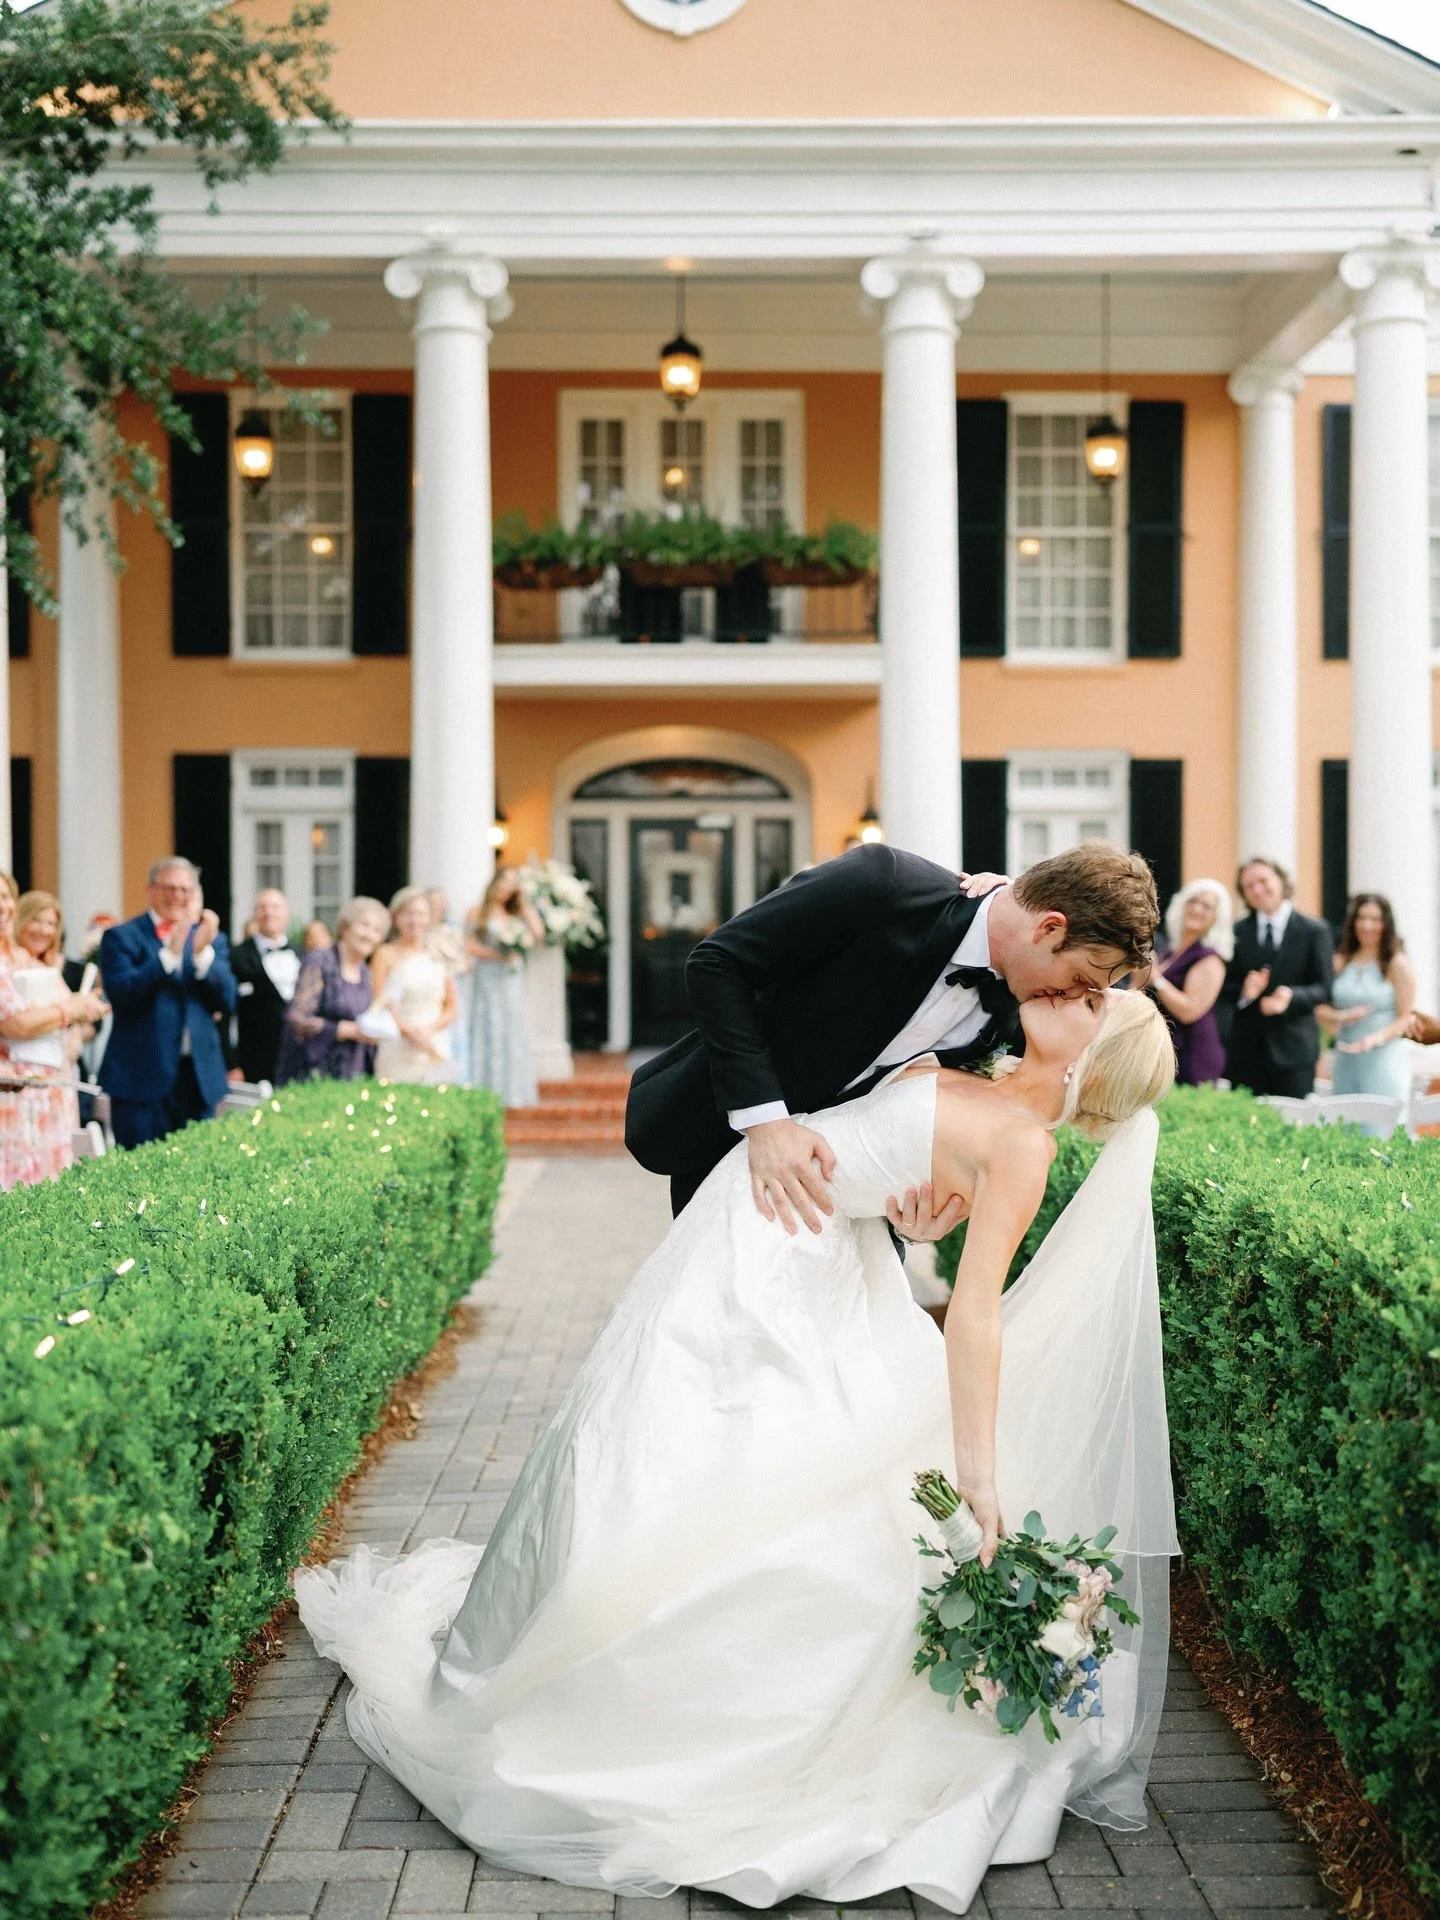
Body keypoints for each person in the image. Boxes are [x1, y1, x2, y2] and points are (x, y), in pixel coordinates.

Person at [296, 986, 1178, 1912]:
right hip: (764, 1238)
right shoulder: (969, 1068)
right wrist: (906, 1215)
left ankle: (690, 1713)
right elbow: (887, 1170)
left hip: (806, 1271)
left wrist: (980, 1477)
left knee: (758, 1471)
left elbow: (978, 1312)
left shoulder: (1024, 1146)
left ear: (1093, 1061)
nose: (1066, 992)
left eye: (1090, 1002)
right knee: (662, 1444)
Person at [626, 839, 1159, 1223]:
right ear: (1049, 928)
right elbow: (717, 964)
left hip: (847, 1219)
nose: (1069, 996)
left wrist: (926, 1214)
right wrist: (767, 1124)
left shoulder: (1026, 1010)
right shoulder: (881, 885)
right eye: (1079, 979)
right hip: (729, 1144)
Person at [98, 857, 237, 1149]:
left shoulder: (211, 938)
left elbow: (227, 1000)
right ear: (150, 891)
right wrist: (167, 956)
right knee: (138, 1177)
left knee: (197, 1178)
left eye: (184, 890)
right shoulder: (121, 937)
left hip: (198, 1078)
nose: (176, 896)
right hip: (140, 1079)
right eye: (169, 888)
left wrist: (201, 955)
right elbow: (121, 994)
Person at [0, 876, 107, 1189]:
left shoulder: (21, 958)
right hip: (13, 1096)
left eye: (6, 896)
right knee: (17, 1191)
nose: (3, 905)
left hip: (47, 1092)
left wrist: (86, 1009)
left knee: (46, 1191)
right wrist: (71, 1009)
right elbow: (15, 1024)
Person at [1220, 858, 1333, 1099]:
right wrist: (1244, 993)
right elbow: (1224, 988)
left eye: (1263, 881)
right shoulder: (1235, 932)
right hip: (1246, 1052)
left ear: (1281, 881)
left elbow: (1325, 988)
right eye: (1249, 886)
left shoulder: (1315, 931)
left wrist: (1292, 997)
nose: (1257, 889)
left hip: (1295, 1052)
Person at [276, 895, 391, 1085]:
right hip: (314, 1071)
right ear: (346, 927)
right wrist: (344, 1030)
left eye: (377, 930)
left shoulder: (364, 972)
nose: (370, 934)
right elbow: (296, 1018)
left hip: (353, 1071)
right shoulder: (320, 960)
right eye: (365, 925)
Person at [1317, 894, 1414, 1105]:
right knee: (1345, 1122)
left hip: (1382, 1056)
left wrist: (1374, 1039)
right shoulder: (1341, 961)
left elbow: (1405, 1018)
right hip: (1345, 1057)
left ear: (1385, 924)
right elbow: (1319, 1007)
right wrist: (1340, 1017)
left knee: (1380, 1124)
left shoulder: (1397, 964)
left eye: (1375, 919)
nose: (1367, 925)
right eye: (1361, 918)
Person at [463, 867, 542, 1107]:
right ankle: (485, 1087)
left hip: (510, 978)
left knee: (511, 1027)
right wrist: (496, 955)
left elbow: (538, 934)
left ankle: (512, 1092)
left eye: (513, 884)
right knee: (489, 1026)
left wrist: (526, 906)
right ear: (495, 882)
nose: (508, 887)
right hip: (488, 976)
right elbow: (469, 946)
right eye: (505, 882)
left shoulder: (516, 914)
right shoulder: (479, 912)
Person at [365, 886, 458, 1083]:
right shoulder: (384, 954)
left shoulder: (440, 952)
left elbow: (451, 1007)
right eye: (407, 914)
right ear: (396, 918)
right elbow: (378, 1001)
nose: (414, 920)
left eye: (421, 914)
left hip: (434, 1042)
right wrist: (409, 1032)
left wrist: (429, 1031)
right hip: (398, 1042)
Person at [1147, 879, 1231, 1086]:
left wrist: (1156, 978)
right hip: (1163, 1048)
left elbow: (1190, 1010)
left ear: (1216, 918)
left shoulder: (1210, 959)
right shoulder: (1169, 953)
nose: (1197, 909)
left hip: (1192, 1055)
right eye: (1193, 901)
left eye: (1207, 906)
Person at [228, 888, 303, 1085]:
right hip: (254, 1057)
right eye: (262, 907)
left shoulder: (303, 955)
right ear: (254, 914)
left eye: (275, 907)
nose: (269, 912)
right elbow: (228, 1011)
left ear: (287, 913)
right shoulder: (237, 955)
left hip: (298, 1056)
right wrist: (232, 1062)